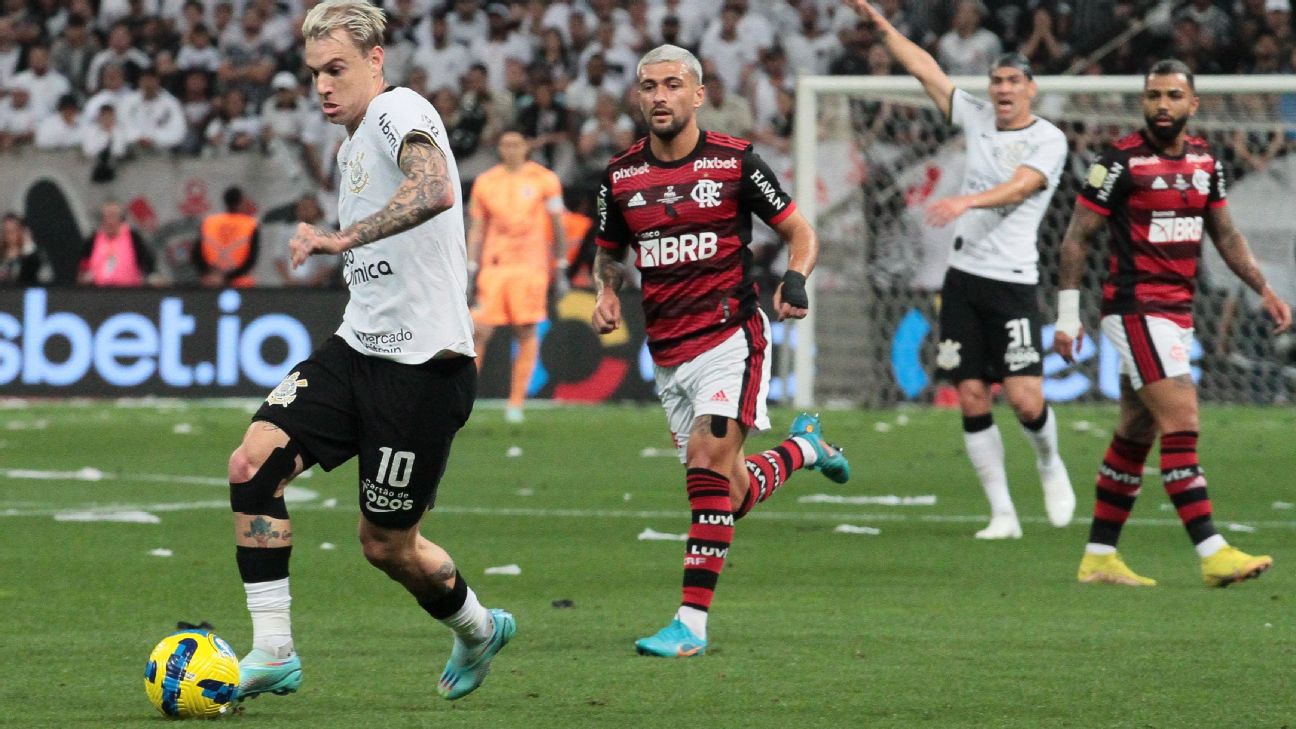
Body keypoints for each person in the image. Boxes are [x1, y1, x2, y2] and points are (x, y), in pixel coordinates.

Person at [226, 0, 513, 705]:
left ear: (375, 61)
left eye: (336, 69)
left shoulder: (398, 110)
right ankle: (273, 651)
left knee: (386, 545)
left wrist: (340, 239)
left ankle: (478, 628)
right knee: (251, 462)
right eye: (314, 73)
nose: (323, 86)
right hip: (356, 349)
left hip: (423, 370)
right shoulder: (350, 142)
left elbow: (436, 188)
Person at [592, 44, 850, 658]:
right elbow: (610, 251)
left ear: (698, 94)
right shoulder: (620, 177)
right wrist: (606, 290)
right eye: (649, 86)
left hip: (730, 335)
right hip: (668, 353)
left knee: (707, 464)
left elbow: (800, 230)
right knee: (726, 493)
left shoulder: (735, 163)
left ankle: (690, 625)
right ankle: (804, 448)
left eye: (672, 85)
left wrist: (795, 279)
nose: (659, 96)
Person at [1054, 59, 1292, 588]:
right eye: (1154, 95)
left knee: (1136, 431)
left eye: (1173, 96)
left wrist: (1264, 289)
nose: (1162, 104)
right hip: (1135, 309)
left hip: (1177, 313)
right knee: (1182, 419)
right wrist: (1067, 318)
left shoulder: (1207, 161)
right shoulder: (1118, 162)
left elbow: (1226, 236)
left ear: (1193, 104)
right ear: (1143, 101)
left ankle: (1098, 558)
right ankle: (1212, 551)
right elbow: (1076, 239)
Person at [847, 0, 1074, 539]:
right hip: (964, 280)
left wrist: (966, 204)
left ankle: (1049, 463)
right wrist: (883, 27)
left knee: (1025, 399)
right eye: (996, 81)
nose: (1002, 90)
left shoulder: (1048, 139)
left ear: (1030, 89)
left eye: (1013, 82)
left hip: (1015, 284)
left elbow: (1022, 186)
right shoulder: (974, 115)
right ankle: (1002, 513)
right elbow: (925, 67)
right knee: (970, 395)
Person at [467, 129, 567, 424]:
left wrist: (560, 266)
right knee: (478, 331)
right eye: (505, 144)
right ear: (499, 148)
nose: (510, 149)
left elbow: (557, 224)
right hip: (494, 265)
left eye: (516, 144)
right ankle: (464, 399)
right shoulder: (486, 182)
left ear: (526, 146)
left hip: (530, 266)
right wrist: (471, 267)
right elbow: (476, 228)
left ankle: (516, 403)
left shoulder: (544, 179)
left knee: (525, 330)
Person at [192, 186, 259, 287]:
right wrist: (229, 277)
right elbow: (251, 258)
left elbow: (196, 254)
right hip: (240, 284)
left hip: (210, 282)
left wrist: (209, 274)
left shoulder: (209, 222)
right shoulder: (250, 224)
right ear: (241, 202)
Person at [79, 200, 155, 286]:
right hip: (99, 292)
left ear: (120, 218)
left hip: (129, 291)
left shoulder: (133, 237)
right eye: (106, 217)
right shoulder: (93, 239)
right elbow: (83, 265)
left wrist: (150, 277)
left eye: (113, 216)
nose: (109, 221)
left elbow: (147, 262)